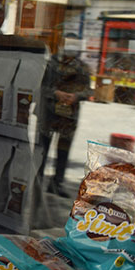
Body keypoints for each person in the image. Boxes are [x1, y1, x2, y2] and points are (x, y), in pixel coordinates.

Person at [35, 47, 91, 198]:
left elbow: (88, 91)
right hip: (49, 114)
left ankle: (56, 184)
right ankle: (37, 182)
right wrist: (56, 93)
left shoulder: (82, 67)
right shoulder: (50, 64)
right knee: (43, 149)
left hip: (69, 118)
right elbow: (40, 85)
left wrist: (76, 96)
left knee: (63, 152)